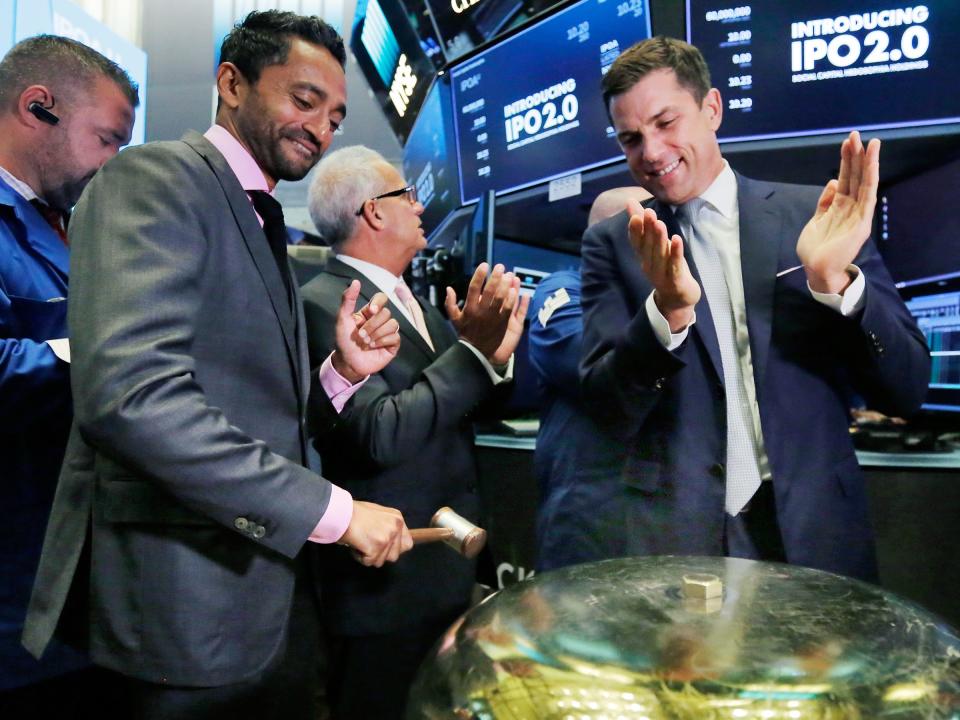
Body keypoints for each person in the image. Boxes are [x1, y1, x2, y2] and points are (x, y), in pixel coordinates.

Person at [22, 12, 413, 719]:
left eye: (335, 115)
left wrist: (339, 377)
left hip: (263, 599)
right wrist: (332, 511)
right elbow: (131, 399)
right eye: (303, 100)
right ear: (231, 82)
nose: (322, 129)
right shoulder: (153, 179)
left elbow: (257, 414)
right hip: (183, 613)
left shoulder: (260, 217)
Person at [580, 36, 930, 581]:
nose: (650, 152)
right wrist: (665, 315)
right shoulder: (615, 243)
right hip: (678, 539)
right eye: (631, 138)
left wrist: (837, 283)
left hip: (816, 527)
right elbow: (605, 409)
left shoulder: (813, 216)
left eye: (665, 122)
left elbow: (907, 389)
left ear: (712, 108)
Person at [301, 144, 528, 718]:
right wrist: (471, 354)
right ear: (374, 212)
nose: (419, 204)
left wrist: (494, 359)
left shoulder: (419, 307)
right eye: (407, 194)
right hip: (387, 589)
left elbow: (463, 402)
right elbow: (379, 434)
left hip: (447, 576)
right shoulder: (322, 303)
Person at [0, 35, 138, 710]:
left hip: (85, 582)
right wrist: (102, 354)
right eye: (106, 139)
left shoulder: (71, 226)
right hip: (16, 588)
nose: (114, 165)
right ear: (38, 106)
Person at [529, 187, 650, 572]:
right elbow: (600, 367)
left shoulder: (661, 296)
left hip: (659, 516)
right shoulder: (562, 292)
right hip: (589, 518)